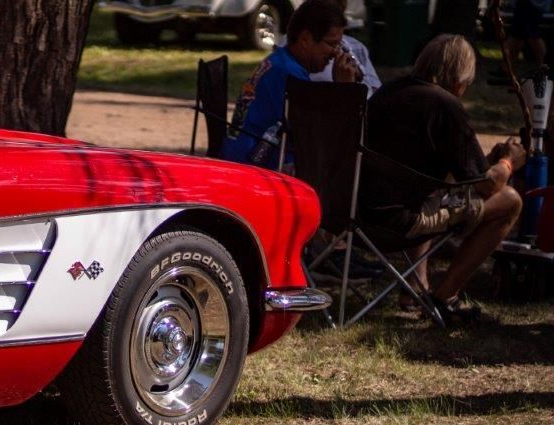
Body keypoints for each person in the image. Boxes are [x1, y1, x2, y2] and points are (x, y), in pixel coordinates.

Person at [358, 34, 526, 324]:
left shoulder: (388, 92)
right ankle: (444, 298)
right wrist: (508, 161)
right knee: (509, 201)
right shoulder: (444, 105)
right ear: (460, 79)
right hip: (400, 223)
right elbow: (485, 186)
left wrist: (483, 164)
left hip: (355, 215)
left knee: (432, 190)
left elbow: (450, 173)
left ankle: (414, 286)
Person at [221, 0, 358, 168]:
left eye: (339, 45)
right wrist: (344, 91)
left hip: (243, 156)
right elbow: (321, 140)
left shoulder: (281, 61)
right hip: (254, 168)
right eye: (332, 44)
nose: (336, 53)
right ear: (306, 39)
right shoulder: (290, 76)